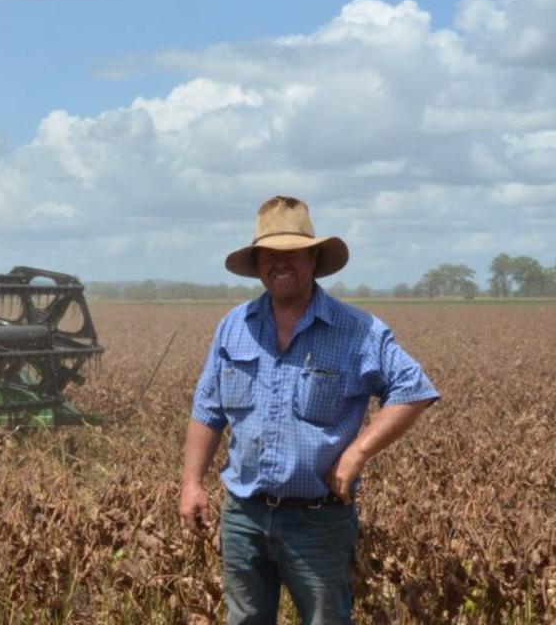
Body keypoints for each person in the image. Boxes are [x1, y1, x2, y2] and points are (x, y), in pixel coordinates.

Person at [178, 195, 439, 625]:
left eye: (291, 253)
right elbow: (207, 408)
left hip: (318, 522)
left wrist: (357, 453)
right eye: (268, 255)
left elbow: (413, 389)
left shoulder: (357, 330)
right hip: (244, 515)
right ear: (257, 262)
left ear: (315, 258)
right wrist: (192, 483)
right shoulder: (234, 326)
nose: (279, 264)